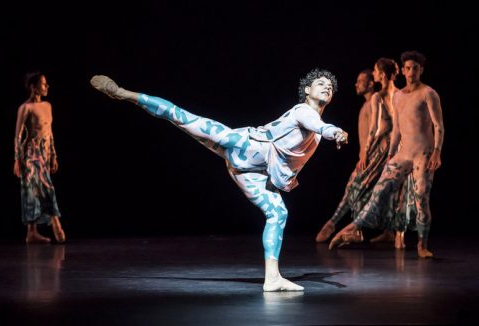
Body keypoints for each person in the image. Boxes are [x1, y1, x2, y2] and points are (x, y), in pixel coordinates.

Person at [90, 68, 349, 291]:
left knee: (278, 213)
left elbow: (293, 160)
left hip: (251, 174)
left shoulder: (314, 134)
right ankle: (123, 93)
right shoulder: (303, 111)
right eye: (320, 83)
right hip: (243, 146)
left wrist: (282, 181)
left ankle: (272, 278)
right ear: (307, 90)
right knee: (182, 117)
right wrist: (335, 131)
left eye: (330, 86)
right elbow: (319, 126)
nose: (326, 87)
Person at [329, 51, 444, 258]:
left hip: (423, 154)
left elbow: (439, 126)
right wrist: (391, 155)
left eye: (415, 68)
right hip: (403, 153)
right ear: (404, 70)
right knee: (379, 193)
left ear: (421, 70)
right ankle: (351, 228)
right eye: (407, 68)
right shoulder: (399, 96)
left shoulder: (428, 93)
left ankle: (422, 245)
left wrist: (437, 151)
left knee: (421, 198)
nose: (410, 72)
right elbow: (397, 130)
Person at [315, 69, 375, 243]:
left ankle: (336, 223)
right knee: (357, 190)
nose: (356, 84)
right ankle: (343, 226)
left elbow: (378, 132)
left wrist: (370, 155)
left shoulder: (375, 103)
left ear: (371, 83)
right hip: (366, 156)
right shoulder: (366, 105)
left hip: (374, 156)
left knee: (357, 189)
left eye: (360, 81)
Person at [14, 72, 66, 244]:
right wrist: (16, 160)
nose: (47, 86)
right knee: (38, 189)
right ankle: (55, 225)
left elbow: (49, 133)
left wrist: (54, 156)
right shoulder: (25, 108)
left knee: (39, 190)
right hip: (30, 154)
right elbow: (18, 135)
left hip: (44, 154)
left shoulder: (47, 106)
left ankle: (32, 232)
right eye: (43, 84)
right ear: (33, 87)